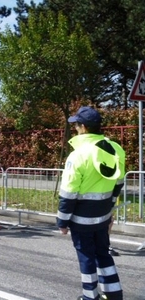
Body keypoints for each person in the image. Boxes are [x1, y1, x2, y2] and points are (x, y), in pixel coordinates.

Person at [56, 107, 125, 300]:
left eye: (76, 126)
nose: (75, 129)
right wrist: (109, 207)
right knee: (103, 253)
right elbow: (118, 183)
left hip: (81, 219)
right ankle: (114, 294)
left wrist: (62, 221)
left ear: (84, 128)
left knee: (86, 257)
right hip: (103, 216)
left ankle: (89, 296)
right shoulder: (115, 149)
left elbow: (68, 193)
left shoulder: (78, 155)